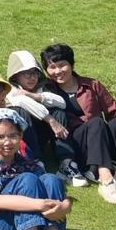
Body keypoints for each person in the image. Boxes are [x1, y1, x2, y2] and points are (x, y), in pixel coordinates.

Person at [41, 44, 116, 206]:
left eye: (62, 65)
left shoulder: (92, 85)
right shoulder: (47, 90)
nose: (58, 71)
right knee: (96, 123)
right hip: (75, 146)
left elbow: (114, 113)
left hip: (100, 138)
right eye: (52, 67)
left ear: (71, 64)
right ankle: (106, 180)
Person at [7, 50, 85, 185]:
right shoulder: (10, 89)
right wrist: (51, 120)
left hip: (42, 133)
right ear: (16, 75)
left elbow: (61, 102)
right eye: (27, 74)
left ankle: (66, 161)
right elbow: (21, 101)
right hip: (25, 134)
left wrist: (34, 95)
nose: (32, 78)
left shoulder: (40, 88)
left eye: (35, 73)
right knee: (20, 111)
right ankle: (34, 161)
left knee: (58, 111)